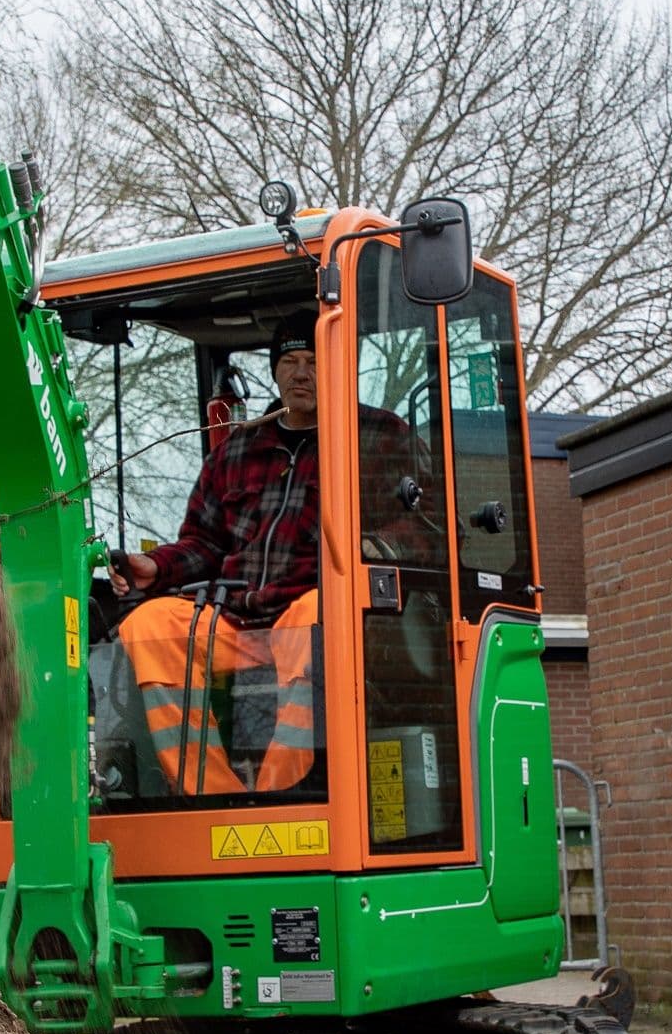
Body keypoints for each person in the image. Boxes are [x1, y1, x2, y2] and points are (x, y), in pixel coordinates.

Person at [108, 324, 431, 796]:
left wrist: (375, 547)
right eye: (289, 362)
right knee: (152, 625)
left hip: (315, 608)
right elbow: (203, 543)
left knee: (315, 619)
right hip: (236, 618)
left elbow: (431, 526)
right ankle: (212, 796)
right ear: (275, 371)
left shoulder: (378, 437)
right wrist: (155, 568)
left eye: (315, 362)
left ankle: (285, 794)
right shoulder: (238, 449)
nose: (301, 374)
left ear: (339, 363)